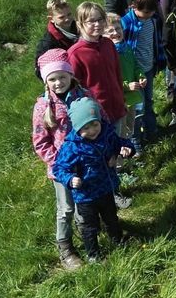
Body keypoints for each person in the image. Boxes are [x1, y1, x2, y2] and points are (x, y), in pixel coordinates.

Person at [52, 97, 135, 262]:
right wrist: (70, 179)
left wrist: (127, 149)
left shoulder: (107, 133)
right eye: (86, 127)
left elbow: (121, 143)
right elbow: (59, 168)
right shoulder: (72, 147)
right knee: (90, 227)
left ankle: (117, 240)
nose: (92, 130)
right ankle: (93, 254)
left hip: (105, 187)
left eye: (95, 124)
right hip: (85, 195)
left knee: (111, 217)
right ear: (76, 127)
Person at [32, 49, 90, 270]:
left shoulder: (84, 96)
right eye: (52, 79)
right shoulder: (42, 107)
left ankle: (88, 237)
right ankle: (65, 248)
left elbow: (99, 122)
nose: (58, 83)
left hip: (86, 162)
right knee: (65, 208)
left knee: (84, 203)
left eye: (62, 77)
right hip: (61, 168)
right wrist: (59, 163)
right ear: (46, 81)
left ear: (71, 76)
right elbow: (40, 141)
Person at [67, 2, 127, 136]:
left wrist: (122, 99)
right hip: (95, 115)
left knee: (120, 147)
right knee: (104, 152)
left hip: (117, 107)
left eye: (100, 19)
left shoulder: (108, 44)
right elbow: (75, 89)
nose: (98, 24)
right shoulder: (75, 54)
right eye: (91, 21)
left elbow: (117, 74)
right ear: (80, 24)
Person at [119, 0, 165, 138]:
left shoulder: (153, 20)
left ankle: (151, 130)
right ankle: (135, 137)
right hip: (133, 73)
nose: (149, 15)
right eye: (146, 12)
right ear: (133, 7)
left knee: (148, 100)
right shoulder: (125, 24)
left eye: (152, 11)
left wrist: (159, 60)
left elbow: (156, 42)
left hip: (148, 68)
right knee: (137, 105)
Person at [105, 13, 143, 151]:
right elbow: (109, 80)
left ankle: (129, 153)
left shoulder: (126, 47)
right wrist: (127, 86)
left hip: (132, 97)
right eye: (110, 31)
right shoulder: (108, 54)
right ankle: (120, 164)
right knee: (119, 131)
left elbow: (135, 65)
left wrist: (140, 76)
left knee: (130, 127)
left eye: (118, 29)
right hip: (120, 99)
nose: (116, 33)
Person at [35, 0, 80, 80]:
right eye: (61, 17)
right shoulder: (48, 43)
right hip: (67, 81)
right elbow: (39, 70)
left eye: (69, 14)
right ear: (51, 19)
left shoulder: (81, 27)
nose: (67, 19)